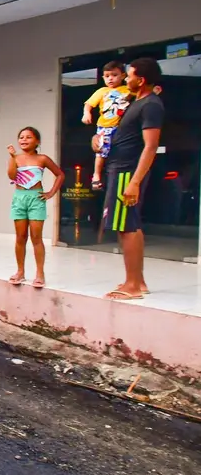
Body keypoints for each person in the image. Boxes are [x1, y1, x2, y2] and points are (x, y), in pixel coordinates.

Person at [99, 57, 164, 301]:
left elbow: (150, 146)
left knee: (128, 225)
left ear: (142, 79)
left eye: (129, 75)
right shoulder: (135, 102)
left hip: (128, 171)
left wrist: (135, 181)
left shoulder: (151, 105)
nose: (126, 79)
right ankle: (137, 280)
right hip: (119, 168)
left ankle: (133, 285)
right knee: (125, 224)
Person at [6, 126, 64, 288]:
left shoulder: (42, 159)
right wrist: (11, 157)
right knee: (20, 237)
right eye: (21, 137)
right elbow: (11, 176)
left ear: (37, 141)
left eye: (28, 137)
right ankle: (20, 271)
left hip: (36, 198)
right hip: (19, 198)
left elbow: (60, 174)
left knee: (36, 238)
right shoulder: (16, 158)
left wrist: (51, 193)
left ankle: (40, 273)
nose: (24, 140)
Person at [81, 61, 130, 190]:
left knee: (120, 150)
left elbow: (140, 94)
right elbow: (89, 104)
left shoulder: (127, 90)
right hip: (105, 126)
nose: (110, 78)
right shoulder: (102, 91)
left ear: (123, 76)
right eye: (107, 76)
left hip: (121, 127)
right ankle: (96, 175)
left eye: (114, 75)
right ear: (103, 77)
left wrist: (153, 90)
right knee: (102, 150)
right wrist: (86, 114)